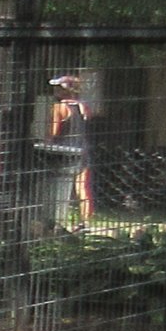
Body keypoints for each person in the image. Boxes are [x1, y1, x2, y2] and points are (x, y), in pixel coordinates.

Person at [45, 73, 94, 227]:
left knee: (58, 185)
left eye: (59, 88)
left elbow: (53, 132)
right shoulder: (83, 107)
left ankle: (55, 219)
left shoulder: (59, 107)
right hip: (82, 148)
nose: (55, 91)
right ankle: (84, 222)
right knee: (82, 187)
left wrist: (47, 143)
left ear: (67, 91)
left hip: (64, 150)